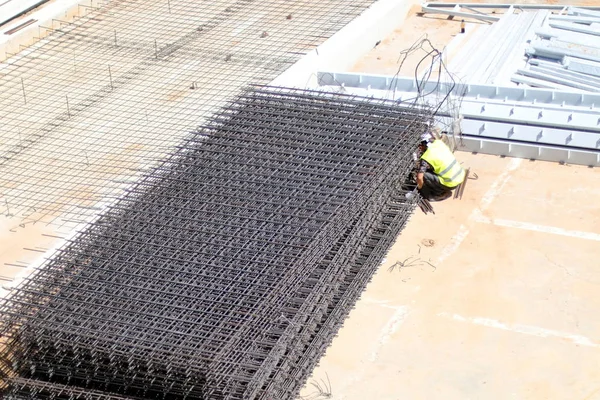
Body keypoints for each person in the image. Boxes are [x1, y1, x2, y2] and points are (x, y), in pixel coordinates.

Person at [416, 132, 465, 201]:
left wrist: (420, 188)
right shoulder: (439, 143)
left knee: (423, 176)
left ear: (423, 145)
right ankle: (441, 188)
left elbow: (419, 177)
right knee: (429, 169)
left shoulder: (427, 157)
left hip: (450, 182)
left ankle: (439, 193)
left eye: (420, 146)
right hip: (460, 175)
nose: (419, 148)